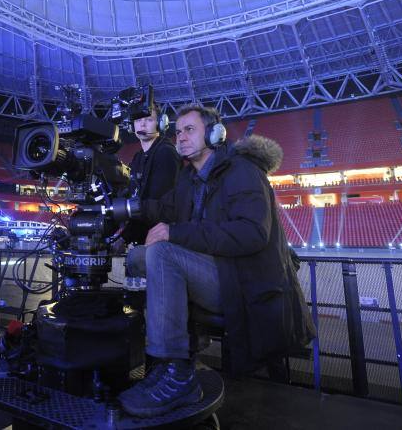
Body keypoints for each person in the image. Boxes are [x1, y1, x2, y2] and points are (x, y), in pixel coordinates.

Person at [118, 104, 316, 418]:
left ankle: (176, 371)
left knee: (162, 252)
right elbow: (161, 208)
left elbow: (251, 234)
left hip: (245, 283)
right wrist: (123, 207)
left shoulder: (242, 172)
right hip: (218, 274)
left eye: (189, 129)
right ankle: (165, 359)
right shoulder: (189, 178)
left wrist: (177, 233)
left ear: (214, 133)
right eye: (178, 131)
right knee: (138, 257)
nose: (180, 137)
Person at [116, 106, 182, 286]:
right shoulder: (138, 158)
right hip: (143, 236)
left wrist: (125, 236)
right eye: (138, 120)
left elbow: (156, 208)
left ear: (161, 123)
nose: (142, 123)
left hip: (161, 239)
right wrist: (123, 236)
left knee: (135, 260)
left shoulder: (166, 153)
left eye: (149, 119)